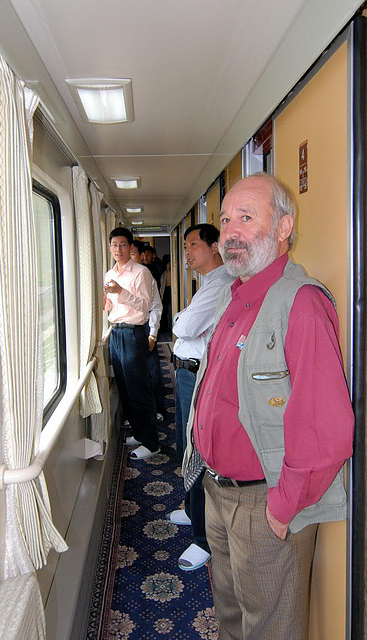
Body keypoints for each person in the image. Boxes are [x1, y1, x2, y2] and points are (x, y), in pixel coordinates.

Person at [182, 173, 354, 639]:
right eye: (225, 219)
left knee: (270, 629)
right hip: (219, 493)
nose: (231, 230)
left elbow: (327, 426)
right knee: (232, 615)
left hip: (265, 502)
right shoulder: (235, 297)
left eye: (246, 217)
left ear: (283, 228)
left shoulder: (300, 303)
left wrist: (282, 507)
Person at [167, 224, 233, 571]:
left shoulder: (220, 283)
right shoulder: (207, 284)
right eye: (186, 246)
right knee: (185, 446)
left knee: (196, 449)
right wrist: (184, 319)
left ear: (215, 247)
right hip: (186, 371)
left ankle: (204, 538)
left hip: (197, 376)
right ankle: (192, 511)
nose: (188, 252)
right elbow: (186, 323)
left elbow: (184, 328)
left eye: (194, 245)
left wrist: (181, 319)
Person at [104, 227, 159, 460]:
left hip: (133, 333)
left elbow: (145, 305)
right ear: (110, 247)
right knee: (125, 388)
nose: (118, 249)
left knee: (138, 388)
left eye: (123, 245)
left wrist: (120, 291)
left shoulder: (140, 272)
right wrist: (107, 299)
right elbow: (112, 306)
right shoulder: (109, 273)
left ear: (130, 247)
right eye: (114, 245)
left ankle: (151, 442)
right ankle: (139, 431)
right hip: (115, 333)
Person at [130, 239, 167, 420]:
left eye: (133, 255)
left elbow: (156, 307)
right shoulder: (119, 277)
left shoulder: (146, 276)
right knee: (134, 375)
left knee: (151, 371)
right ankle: (138, 414)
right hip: (130, 329)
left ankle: (157, 410)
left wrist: (152, 334)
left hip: (145, 328)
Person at [160, 254, 172, 332]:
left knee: (171, 309)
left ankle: (170, 326)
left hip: (172, 290)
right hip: (165, 291)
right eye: (168, 264)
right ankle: (164, 327)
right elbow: (161, 285)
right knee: (164, 310)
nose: (169, 265)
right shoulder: (164, 273)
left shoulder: (174, 273)